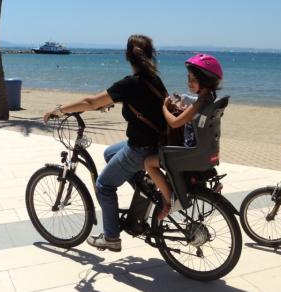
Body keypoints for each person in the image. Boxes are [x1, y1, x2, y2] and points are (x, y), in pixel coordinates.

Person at [43, 34, 167, 252]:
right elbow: (137, 103)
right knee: (110, 153)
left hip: (140, 148)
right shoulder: (154, 80)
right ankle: (143, 187)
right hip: (156, 142)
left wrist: (58, 111)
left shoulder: (130, 83)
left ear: (128, 56)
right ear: (150, 55)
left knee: (104, 185)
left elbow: (90, 101)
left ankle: (111, 237)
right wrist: (107, 104)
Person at [144, 54, 223, 220]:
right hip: (207, 153)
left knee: (149, 163)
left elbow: (174, 123)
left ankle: (169, 201)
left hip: (190, 154)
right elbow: (192, 114)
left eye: (193, 79)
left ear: (206, 81)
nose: (189, 82)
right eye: (188, 78)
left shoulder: (200, 103)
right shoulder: (209, 99)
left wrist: (164, 107)